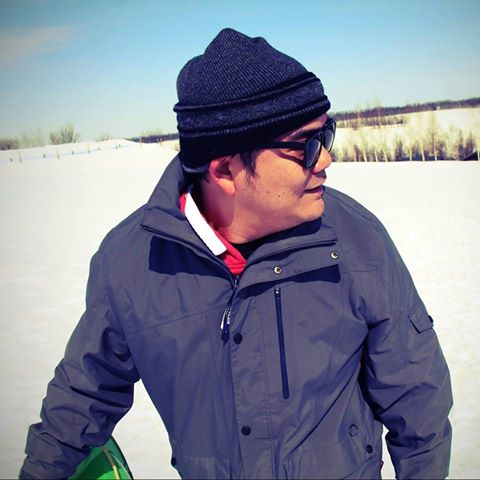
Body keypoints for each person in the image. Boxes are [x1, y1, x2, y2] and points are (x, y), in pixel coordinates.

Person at [20, 28, 452, 480]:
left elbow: (417, 398)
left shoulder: (357, 240)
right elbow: (82, 399)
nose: (325, 159)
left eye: (327, 134)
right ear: (225, 170)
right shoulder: (131, 263)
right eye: (304, 146)